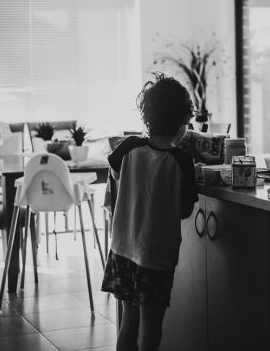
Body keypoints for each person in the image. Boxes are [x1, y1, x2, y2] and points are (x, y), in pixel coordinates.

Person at [101, 73, 198, 351]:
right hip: (155, 256)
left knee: (128, 322)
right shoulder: (182, 161)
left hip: (122, 249)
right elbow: (184, 210)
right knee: (151, 325)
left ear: (147, 117)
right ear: (182, 122)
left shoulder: (129, 148)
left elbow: (115, 173)